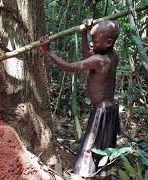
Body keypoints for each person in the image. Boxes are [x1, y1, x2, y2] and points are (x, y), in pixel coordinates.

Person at [39, 19, 121, 178]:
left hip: (102, 112)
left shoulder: (99, 60)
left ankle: (84, 174)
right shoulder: (111, 55)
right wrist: (84, 32)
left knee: (90, 147)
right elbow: (87, 54)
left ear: (108, 42)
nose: (91, 43)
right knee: (102, 147)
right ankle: (101, 174)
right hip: (109, 110)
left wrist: (48, 51)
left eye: (95, 40)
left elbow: (68, 67)